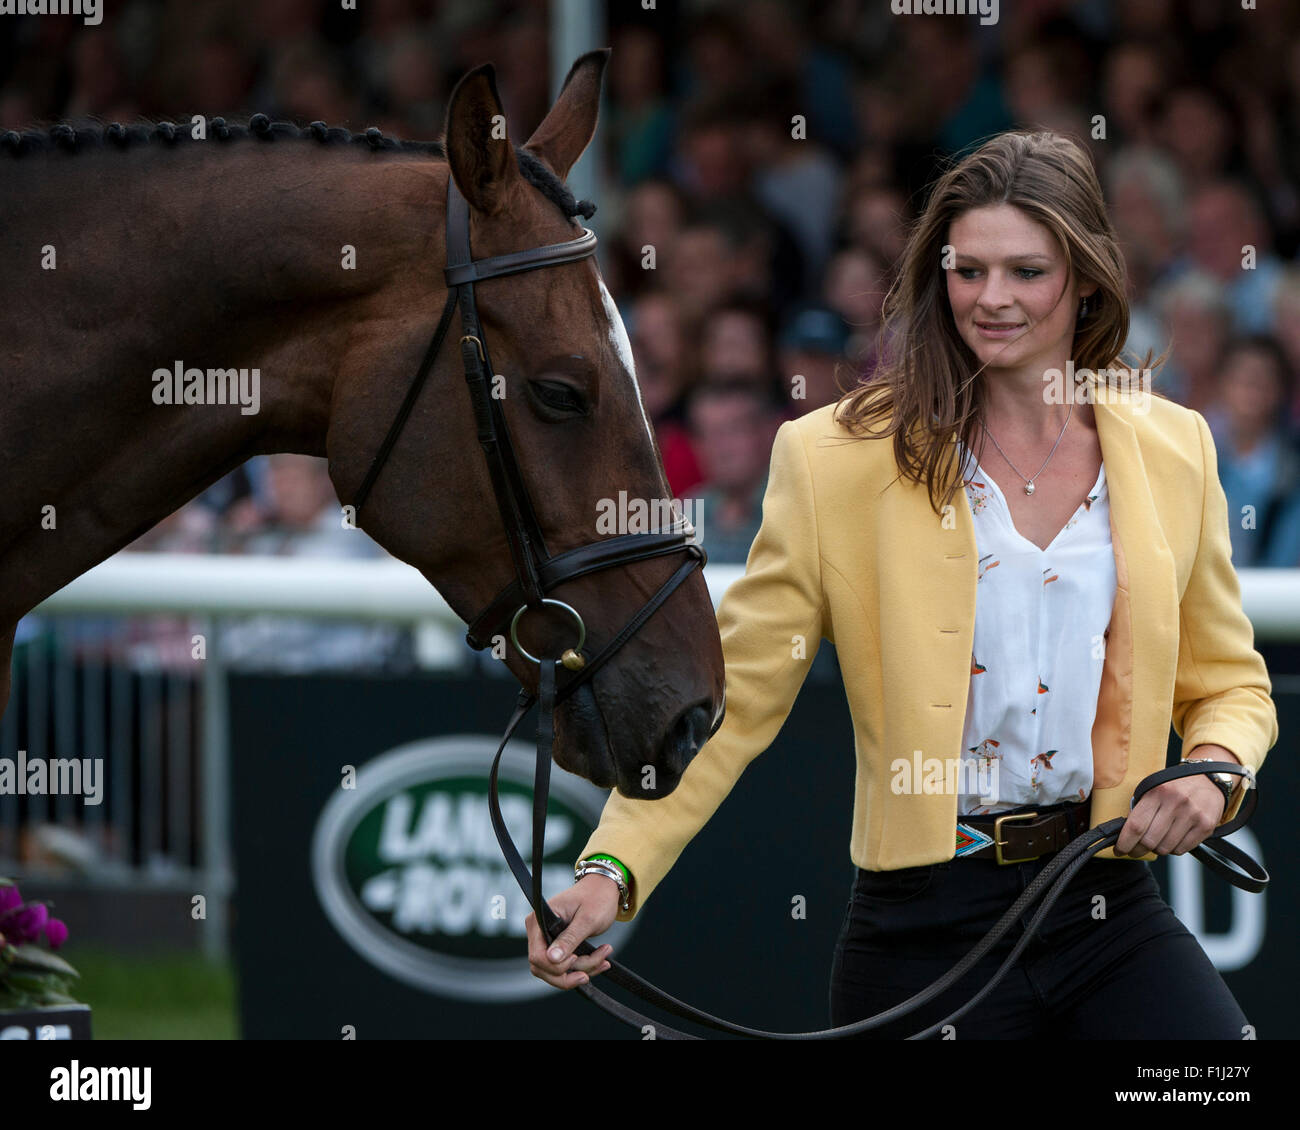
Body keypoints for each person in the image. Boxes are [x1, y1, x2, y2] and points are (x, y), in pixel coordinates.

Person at [525, 131, 1278, 1039]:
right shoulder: (831, 458)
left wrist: (1218, 773)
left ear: (1086, 280)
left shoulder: (1175, 446)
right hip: (922, 932)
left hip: (1106, 904)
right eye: (969, 270)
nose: (991, 299)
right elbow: (736, 701)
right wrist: (613, 869)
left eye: (1027, 272)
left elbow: (1230, 683)